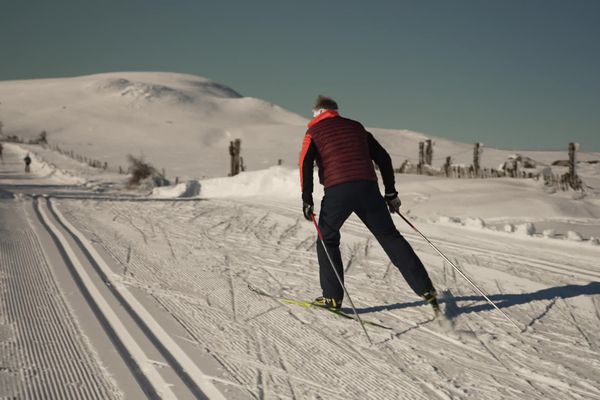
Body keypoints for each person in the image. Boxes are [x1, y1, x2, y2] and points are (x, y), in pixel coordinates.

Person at [299, 95, 439, 313]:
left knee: (327, 239)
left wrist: (306, 198)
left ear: (317, 112)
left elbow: (305, 164)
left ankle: (332, 298)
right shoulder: (357, 127)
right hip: (368, 189)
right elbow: (383, 158)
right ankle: (426, 290)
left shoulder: (313, 132)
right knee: (390, 237)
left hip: (338, 191)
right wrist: (391, 192)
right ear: (335, 111)